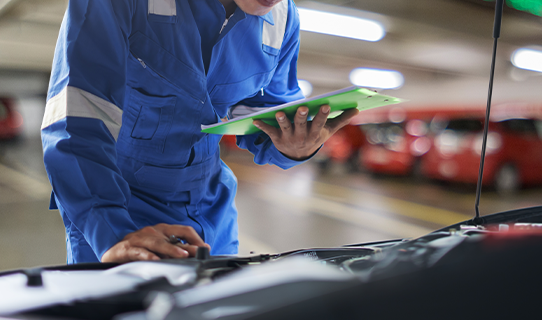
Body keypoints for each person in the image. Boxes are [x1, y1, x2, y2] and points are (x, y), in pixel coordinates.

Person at [41, 0, 358, 264]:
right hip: (120, 206)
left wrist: (295, 146)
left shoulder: (281, 18)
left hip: (212, 211)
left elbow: (265, 112)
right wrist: (111, 230)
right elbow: (77, 119)